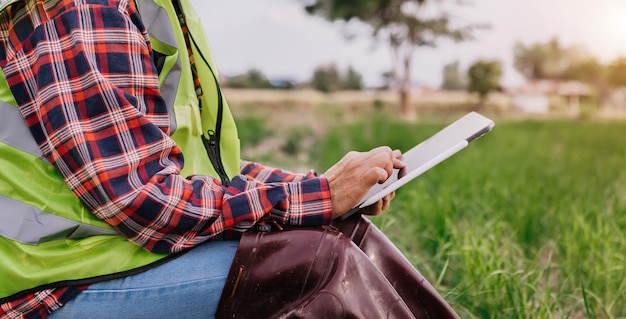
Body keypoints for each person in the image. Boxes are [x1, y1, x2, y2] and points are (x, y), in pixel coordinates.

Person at [0, 0, 458, 318]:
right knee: (315, 265)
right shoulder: (78, 10)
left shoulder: (154, 8)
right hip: (53, 288)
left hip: (111, 256)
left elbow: (200, 170)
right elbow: (143, 202)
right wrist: (319, 196)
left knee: (346, 231)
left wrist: (326, 187)